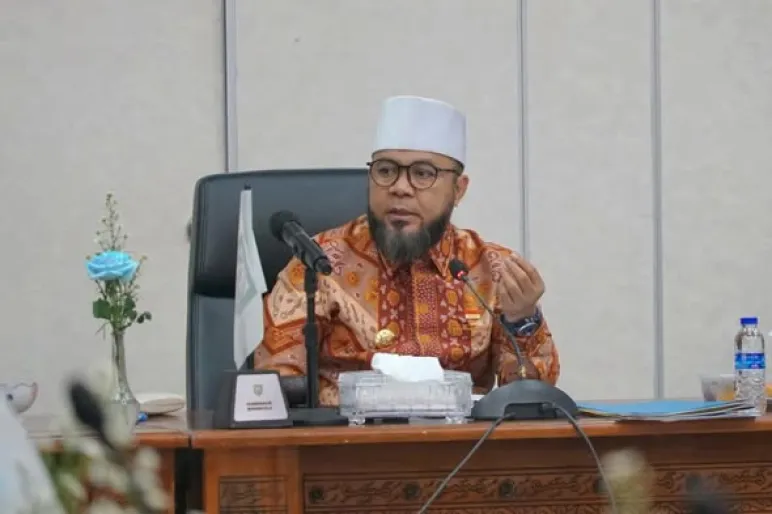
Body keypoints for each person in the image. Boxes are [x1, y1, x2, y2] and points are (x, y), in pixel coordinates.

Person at [254, 95, 560, 406]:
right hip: (346, 434)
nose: (400, 188)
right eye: (386, 171)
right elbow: (275, 385)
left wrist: (522, 320)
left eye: (423, 173)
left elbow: (528, 398)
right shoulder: (319, 263)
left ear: (458, 190)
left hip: (464, 435)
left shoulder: (490, 269)